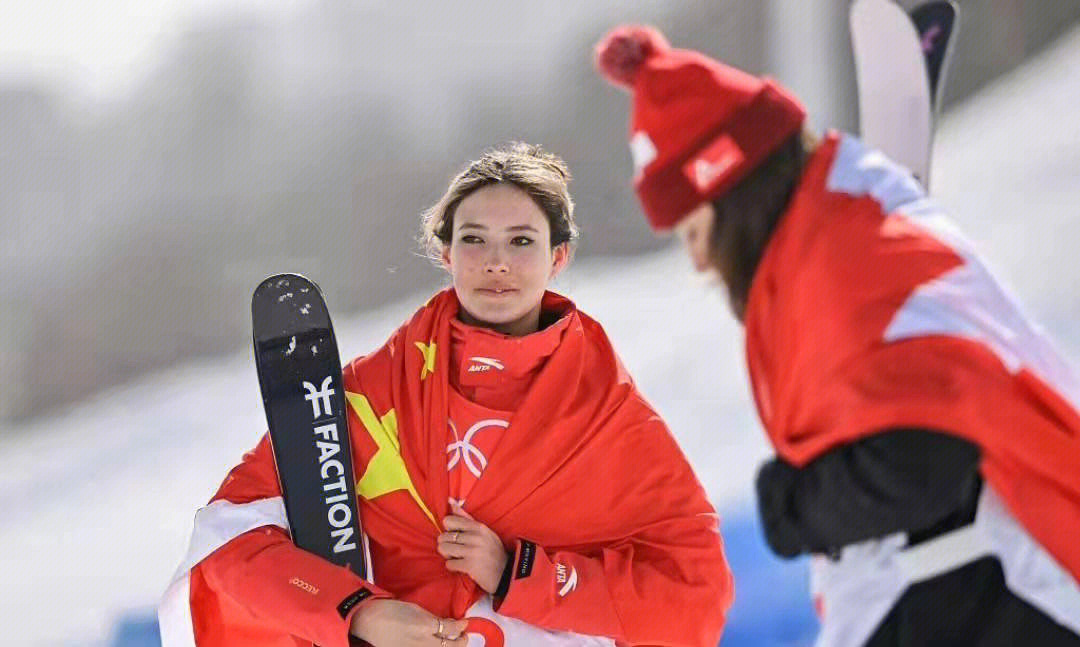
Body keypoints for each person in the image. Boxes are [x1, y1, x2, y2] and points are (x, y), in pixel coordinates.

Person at [594, 24, 1080, 647]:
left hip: (1010, 592)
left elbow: (923, 463)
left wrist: (790, 504)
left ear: (730, 195)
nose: (698, 264)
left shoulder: (844, 270)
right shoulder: (845, 224)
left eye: (693, 233)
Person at [158, 142, 733, 647]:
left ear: (559, 257)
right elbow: (230, 537)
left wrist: (518, 574)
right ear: (446, 253)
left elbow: (694, 592)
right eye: (474, 239)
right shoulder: (368, 394)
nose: (497, 262)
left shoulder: (611, 421)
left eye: (522, 241)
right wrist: (357, 613)